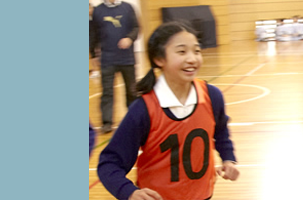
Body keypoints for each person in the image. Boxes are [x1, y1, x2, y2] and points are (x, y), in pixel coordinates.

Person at [97, 21, 239, 200]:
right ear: (159, 59)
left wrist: (228, 158)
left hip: (203, 195)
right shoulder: (143, 109)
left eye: (196, 51)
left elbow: (220, 131)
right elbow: (109, 163)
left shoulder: (212, 96)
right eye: (181, 51)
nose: (192, 58)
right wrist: (129, 192)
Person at [91, 0, 140, 134]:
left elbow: (136, 28)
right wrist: (93, 54)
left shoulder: (128, 7)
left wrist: (129, 38)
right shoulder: (98, 10)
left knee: (131, 91)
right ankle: (107, 123)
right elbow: (93, 34)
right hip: (107, 58)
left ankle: (134, 119)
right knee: (107, 92)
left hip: (127, 58)